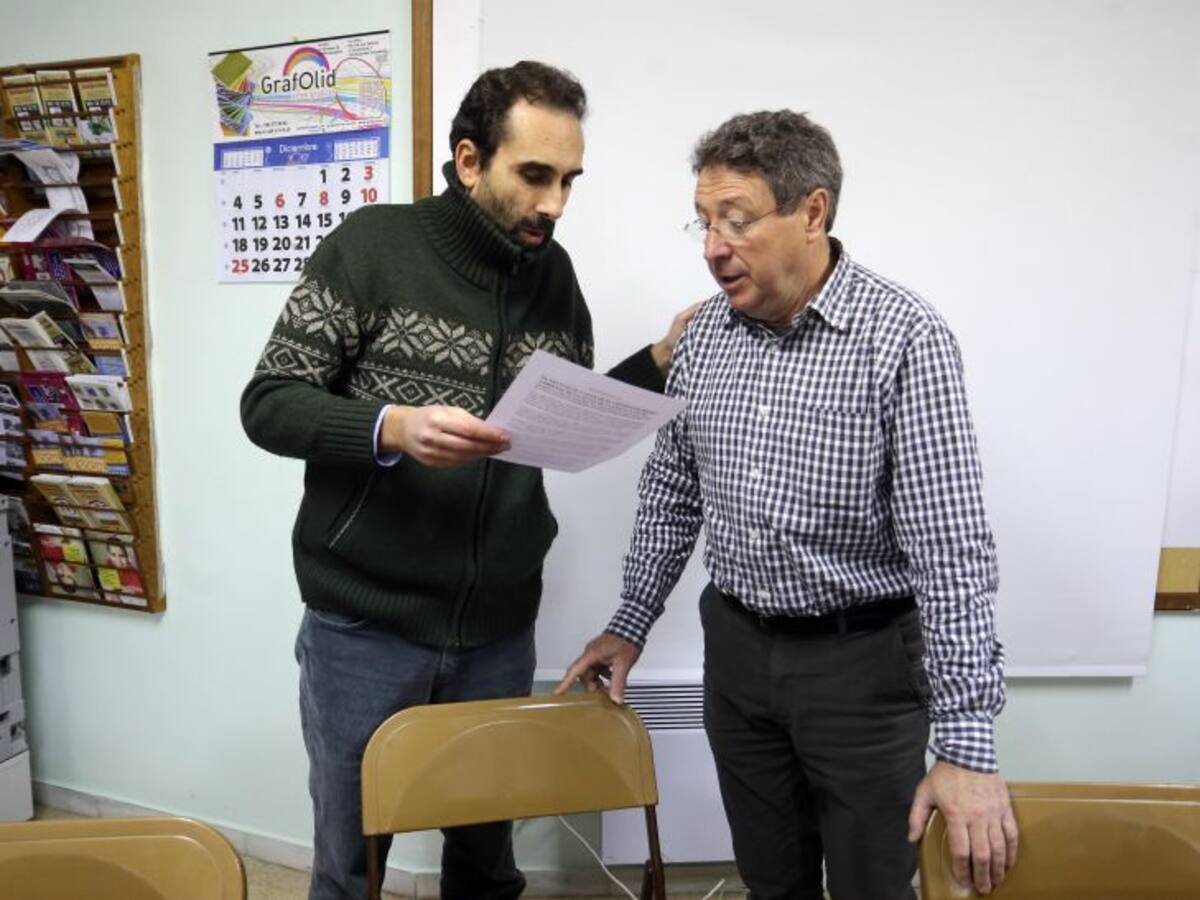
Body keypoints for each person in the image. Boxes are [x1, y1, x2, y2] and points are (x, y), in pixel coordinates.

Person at [241, 61, 691, 900]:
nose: (555, 203)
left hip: (497, 629)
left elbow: (560, 414)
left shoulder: (556, 277)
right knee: (352, 865)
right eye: (535, 175)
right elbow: (268, 404)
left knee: (486, 865)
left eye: (570, 181)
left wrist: (658, 361)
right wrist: (391, 427)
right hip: (365, 624)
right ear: (469, 160)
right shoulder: (371, 247)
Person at [558, 110, 1019, 900]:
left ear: (812, 212)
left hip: (864, 670)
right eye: (703, 222)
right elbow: (672, 491)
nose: (713, 247)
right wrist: (629, 622)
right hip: (738, 657)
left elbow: (950, 550)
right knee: (772, 881)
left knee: (876, 885)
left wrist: (967, 745)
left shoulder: (903, 337)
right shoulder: (704, 338)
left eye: (736, 221)